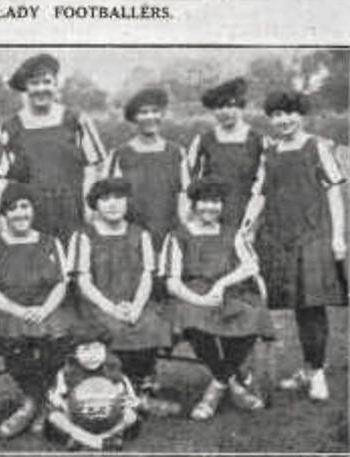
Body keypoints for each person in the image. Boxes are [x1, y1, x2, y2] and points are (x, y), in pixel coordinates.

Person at [246, 90, 347, 401]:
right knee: (281, 306)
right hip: (278, 238)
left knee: (311, 307)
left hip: (313, 236)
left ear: (300, 114)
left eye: (289, 113)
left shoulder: (318, 147)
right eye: (276, 114)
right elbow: (260, 195)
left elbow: (333, 194)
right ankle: (301, 369)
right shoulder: (270, 152)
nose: (283, 120)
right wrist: (246, 228)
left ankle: (316, 374)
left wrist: (338, 237)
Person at [162, 176, 275, 420]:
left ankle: (216, 386)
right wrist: (199, 299)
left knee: (254, 315)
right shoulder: (177, 236)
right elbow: (172, 281)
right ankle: (232, 383)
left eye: (215, 202)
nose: (209, 208)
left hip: (227, 292)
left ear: (222, 205)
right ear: (193, 204)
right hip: (192, 294)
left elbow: (251, 266)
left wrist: (222, 283)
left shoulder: (232, 233)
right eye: (203, 202)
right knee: (192, 317)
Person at [70, 178, 180, 416]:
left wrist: (137, 307)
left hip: (135, 302)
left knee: (151, 324)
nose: (113, 204)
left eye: (118, 198)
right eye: (105, 199)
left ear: (127, 202)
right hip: (99, 304)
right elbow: (84, 281)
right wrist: (110, 308)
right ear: (95, 204)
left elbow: (146, 277)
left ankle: (142, 388)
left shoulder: (140, 234)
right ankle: (117, 391)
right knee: (111, 328)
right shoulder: (84, 235)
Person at [0, 183, 75, 438]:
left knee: (56, 340)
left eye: (25, 206)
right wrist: (18, 310)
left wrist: (44, 309)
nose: (20, 213)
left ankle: (44, 403)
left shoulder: (51, 243)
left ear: (33, 210)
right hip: (11, 311)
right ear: (4, 215)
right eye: (12, 209)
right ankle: (33, 401)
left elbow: (61, 283)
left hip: (47, 309)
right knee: (14, 342)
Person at [0, 53, 106, 244]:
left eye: (47, 82)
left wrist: (89, 208)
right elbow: (0, 179)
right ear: (26, 88)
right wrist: (5, 218)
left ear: (56, 84)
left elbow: (92, 169)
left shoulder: (76, 120)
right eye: (34, 83)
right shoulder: (11, 127)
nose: (41, 89)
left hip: (72, 212)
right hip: (30, 217)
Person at [107, 88, 190, 248]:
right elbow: (109, 200)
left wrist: (181, 234)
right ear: (134, 117)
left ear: (162, 114)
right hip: (131, 240)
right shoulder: (119, 155)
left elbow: (185, 197)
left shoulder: (177, 153)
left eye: (155, 111)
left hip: (169, 236)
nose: (150, 117)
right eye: (143, 112)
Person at [45, 324, 140, 452]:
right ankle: (89, 439)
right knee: (55, 417)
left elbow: (132, 399)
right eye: (85, 350)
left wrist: (128, 402)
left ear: (106, 350)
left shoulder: (114, 372)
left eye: (98, 349)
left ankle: (102, 437)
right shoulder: (66, 373)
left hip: (109, 418)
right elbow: (55, 398)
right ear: (74, 354)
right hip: (78, 417)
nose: (92, 355)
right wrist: (62, 403)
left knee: (131, 416)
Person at [188, 77, 266, 231]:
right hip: (212, 217)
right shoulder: (203, 141)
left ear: (241, 106)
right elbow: (189, 183)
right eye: (219, 107)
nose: (225, 112)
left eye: (231, 106)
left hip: (249, 218)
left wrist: (252, 221)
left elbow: (265, 186)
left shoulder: (259, 141)